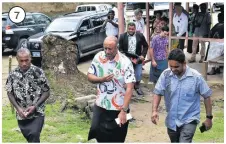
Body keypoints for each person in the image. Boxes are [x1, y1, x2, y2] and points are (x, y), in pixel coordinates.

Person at [151, 49, 213, 143]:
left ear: (184, 63)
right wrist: (154, 111)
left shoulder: (196, 77)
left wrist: (209, 118)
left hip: (190, 119)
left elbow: (207, 96)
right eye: (171, 66)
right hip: (172, 120)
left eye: (176, 66)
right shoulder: (166, 75)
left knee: (185, 140)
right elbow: (157, 92)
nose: (173, 69)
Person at [87, 36, 135, 142]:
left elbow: (130, 88)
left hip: (119, 108)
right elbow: (89, 76)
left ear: (117, 47)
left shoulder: (125, 63)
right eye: (105, 48)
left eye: (110, 49)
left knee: (117, 137)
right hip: (101, 105)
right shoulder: (98, 57)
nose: (107, 51)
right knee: (95, 131)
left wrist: (124, 111)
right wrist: (101, 79)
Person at [5, 48, 50, 143]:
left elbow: (46, 91)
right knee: (30, 138)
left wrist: (35, 106)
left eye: (26, 60)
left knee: (34, 134)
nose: (24, 63)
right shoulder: (12, 75)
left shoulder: (38, 72)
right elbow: (9, 93)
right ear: (17, 59)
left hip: (37, 112)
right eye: (21, 61)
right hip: (22, 115)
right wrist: (18, 108)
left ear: (30, 58)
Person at [118, 22, 148, 96]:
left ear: (135, 29)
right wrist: (126, 58)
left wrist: (143, 55)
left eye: (132, 29)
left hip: (138, 58)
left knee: (138, 74)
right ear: (127, 29)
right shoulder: (122, 36)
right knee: (126, 74)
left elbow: (145, 46)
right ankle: (126, 89)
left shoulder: (140, 36)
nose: (131, 30)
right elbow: (120, 49)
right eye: (129, 29)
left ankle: (137, 86)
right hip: (126, 58)